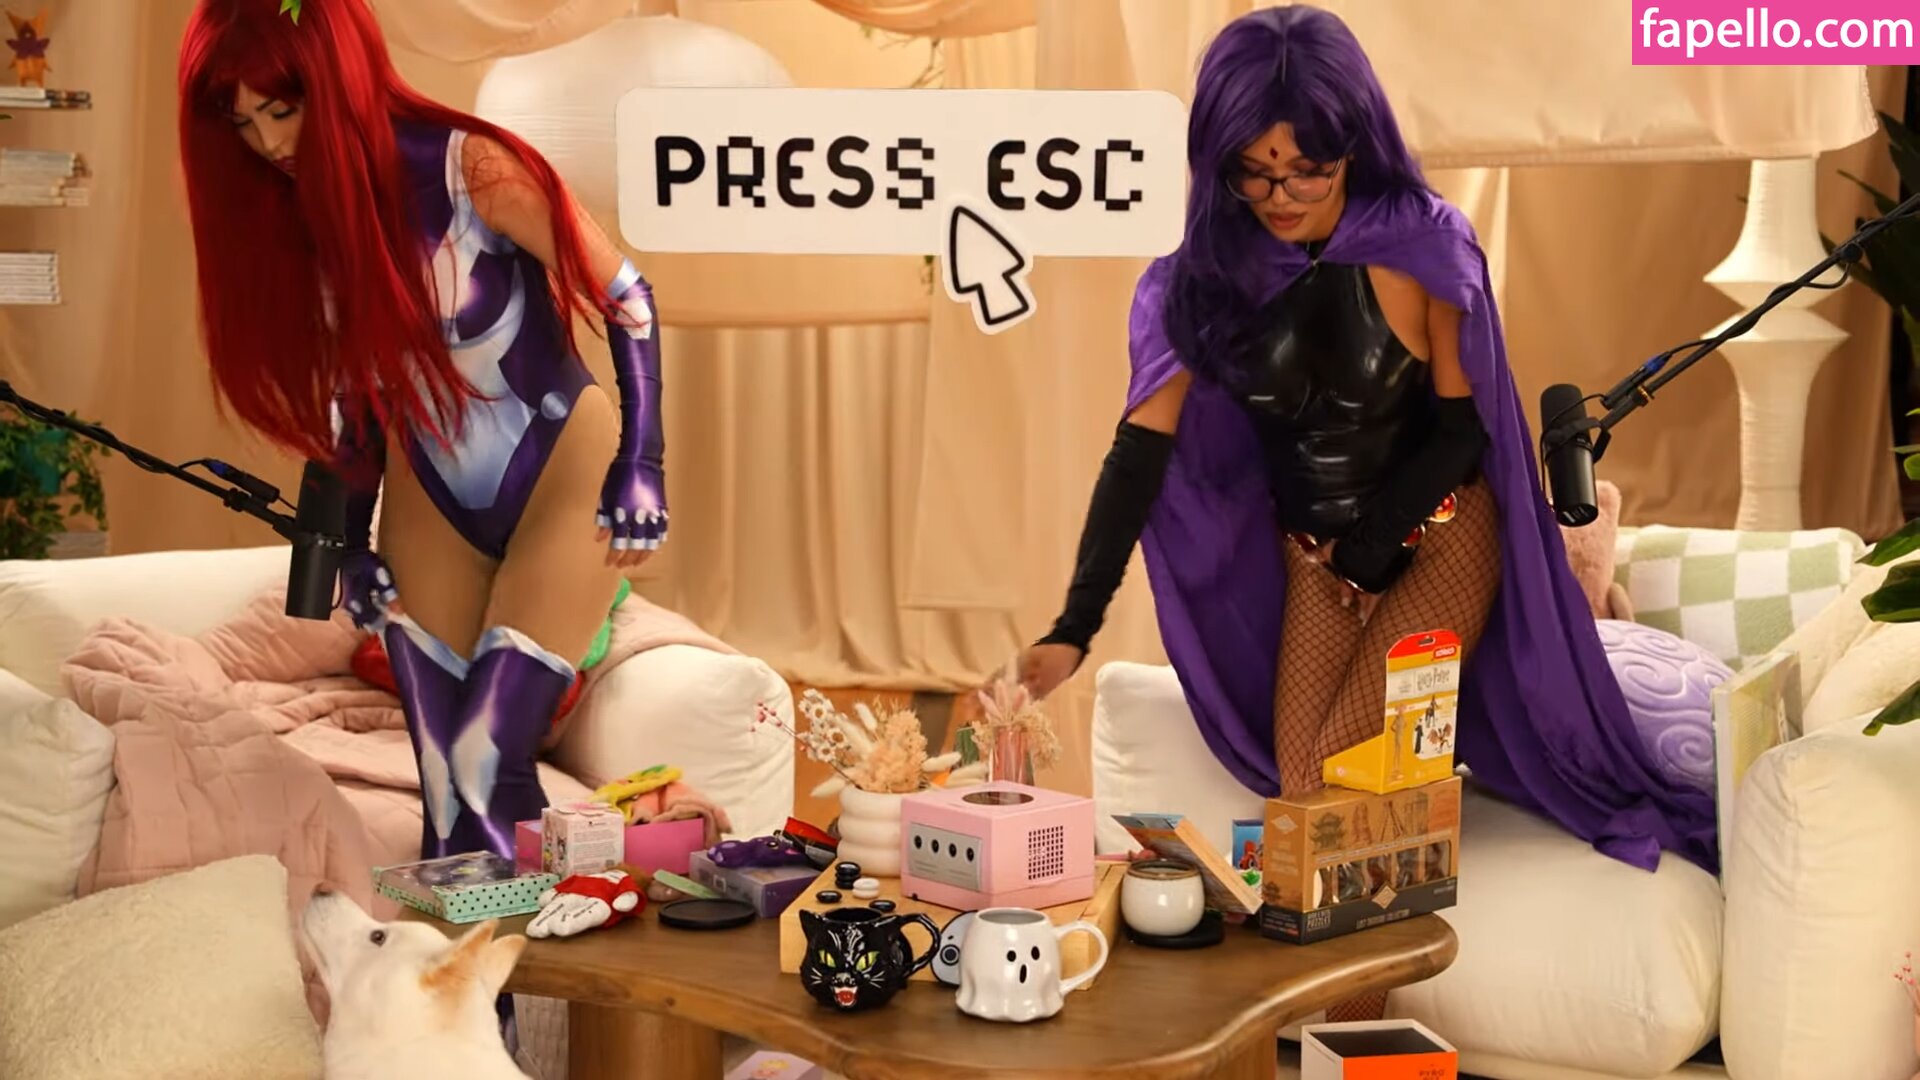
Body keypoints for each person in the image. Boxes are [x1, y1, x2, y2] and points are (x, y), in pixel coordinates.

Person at [1014, 8, 1716, 877]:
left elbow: (1463, 428)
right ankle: (1361, 941)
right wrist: (1074, 627)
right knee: (1305, 789)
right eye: (1253, 171)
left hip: (1442, 534)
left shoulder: (1423, 246)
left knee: (1336, 785)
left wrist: (1371, 551)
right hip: (1318, 557)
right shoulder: (1195, 283)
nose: (1281, 196)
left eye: (1308, 170)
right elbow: (1138, 460)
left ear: (1354, 142)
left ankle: (1368, 939)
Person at [177, 0, 668, 867]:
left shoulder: (473, 167)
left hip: (559, 466)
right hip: (428, 481)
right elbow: (355, 402)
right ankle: (482, 961)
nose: (267, 142)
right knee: (444, 786)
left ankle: (547, 939)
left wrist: (642, 461)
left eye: (282, 109)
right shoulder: (311, 212)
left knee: (482, 759)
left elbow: (626, 295)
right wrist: (348, 545)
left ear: (337, 77)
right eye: (243, 122)